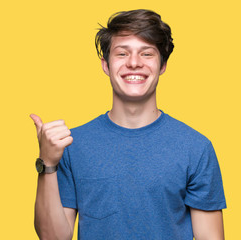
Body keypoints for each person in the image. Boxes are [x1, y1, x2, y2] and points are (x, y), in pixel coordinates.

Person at [30, 9, 226, 240]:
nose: (134, 63)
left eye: (147, 54)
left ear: (162, 65)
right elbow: (53, 238)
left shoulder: (196, 148)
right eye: (122, 54)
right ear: (106, 65)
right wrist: (47, 163)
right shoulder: (71, 145)